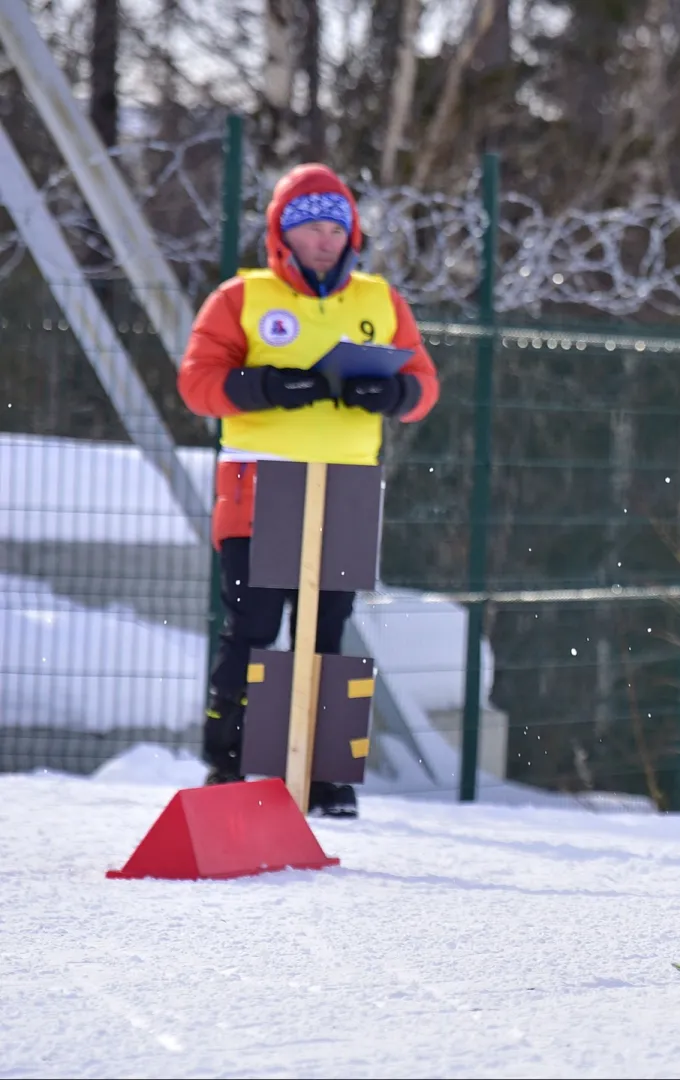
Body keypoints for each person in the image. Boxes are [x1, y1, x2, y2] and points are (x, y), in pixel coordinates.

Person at [177, 163, 439, 818]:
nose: (323, 240)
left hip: (346, 487)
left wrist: (395, 391)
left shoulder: (381, 301)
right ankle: (233, 764)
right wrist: (263, 386)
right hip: (260, 483)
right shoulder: (242, 297)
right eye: (308, 228)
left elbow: (424, 385)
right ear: (281, 236)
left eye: (334, 227)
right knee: (256, 627)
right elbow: (197, 381)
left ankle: (322, 777)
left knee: (327, 632)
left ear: (351, 233)